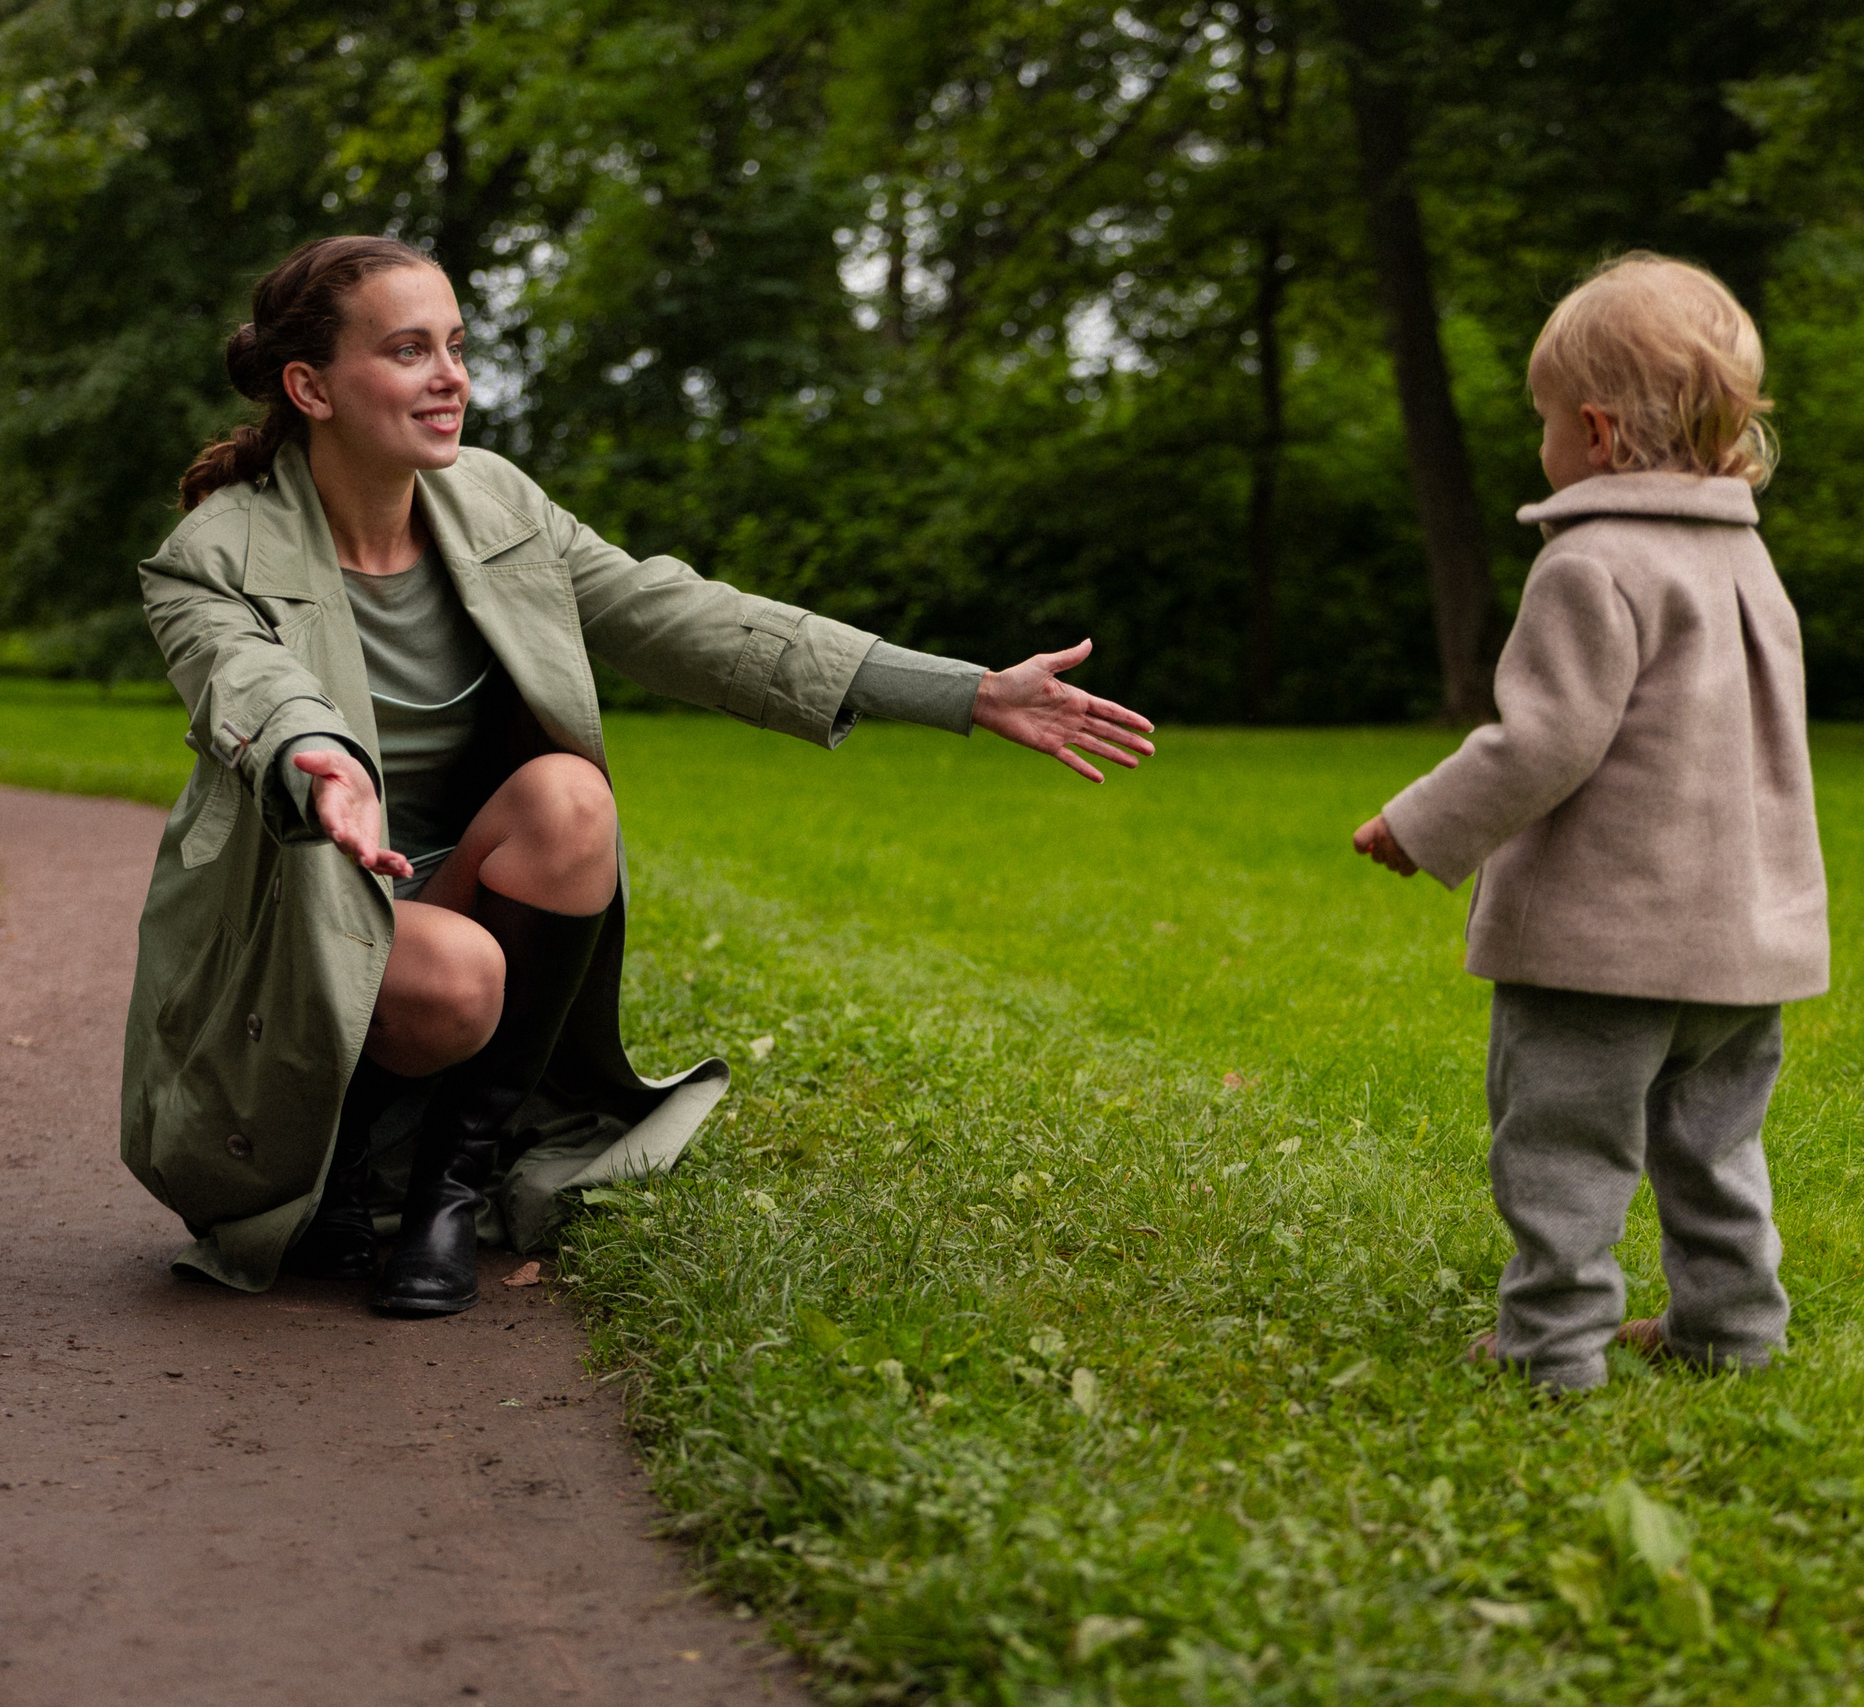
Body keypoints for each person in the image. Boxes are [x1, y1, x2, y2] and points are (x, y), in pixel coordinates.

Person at [122, 234, 1154, 1317]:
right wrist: (314, 757)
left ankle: (446, 1186)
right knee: (461, 973)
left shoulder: (498, 508)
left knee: (572, 799)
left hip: (460, 881)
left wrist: (963, 692)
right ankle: (333, 1174)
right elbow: (239, 677)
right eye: (408, 350)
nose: (450, 377)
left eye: (458, 346)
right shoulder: (217, 552)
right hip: (313, 903)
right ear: (310, 386)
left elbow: (692, 618)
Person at [1351, 253, 1827, 1391]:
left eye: (1547, 421)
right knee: (1711, 1146)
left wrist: (1420, 824)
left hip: (1603, 948)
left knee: (1562, 1144)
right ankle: (1730, 1330)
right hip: (1739, 946)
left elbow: (1545, 741)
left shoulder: (1590, 563)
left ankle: (1551, 1345)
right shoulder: (1745, 558)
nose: (1544, 445)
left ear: (1599, 434)